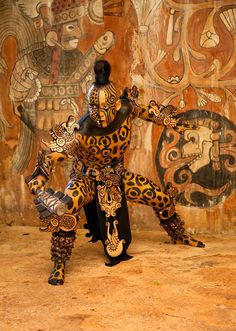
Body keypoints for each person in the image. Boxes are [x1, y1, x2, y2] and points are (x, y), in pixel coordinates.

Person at [26, 60, 205, 286]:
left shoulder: (126, 110)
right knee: (66, 209)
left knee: (160, 197)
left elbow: (147, 111)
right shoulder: (79, 132)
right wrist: (42, 191)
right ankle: (59, 265)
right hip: (86, 180)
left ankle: (178, 235)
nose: (100, 117)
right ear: (89, 107)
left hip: (118, 178)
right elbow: (47, 161)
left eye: (105, 110)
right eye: (95, 111)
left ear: (115, 105)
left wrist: (172, 121)